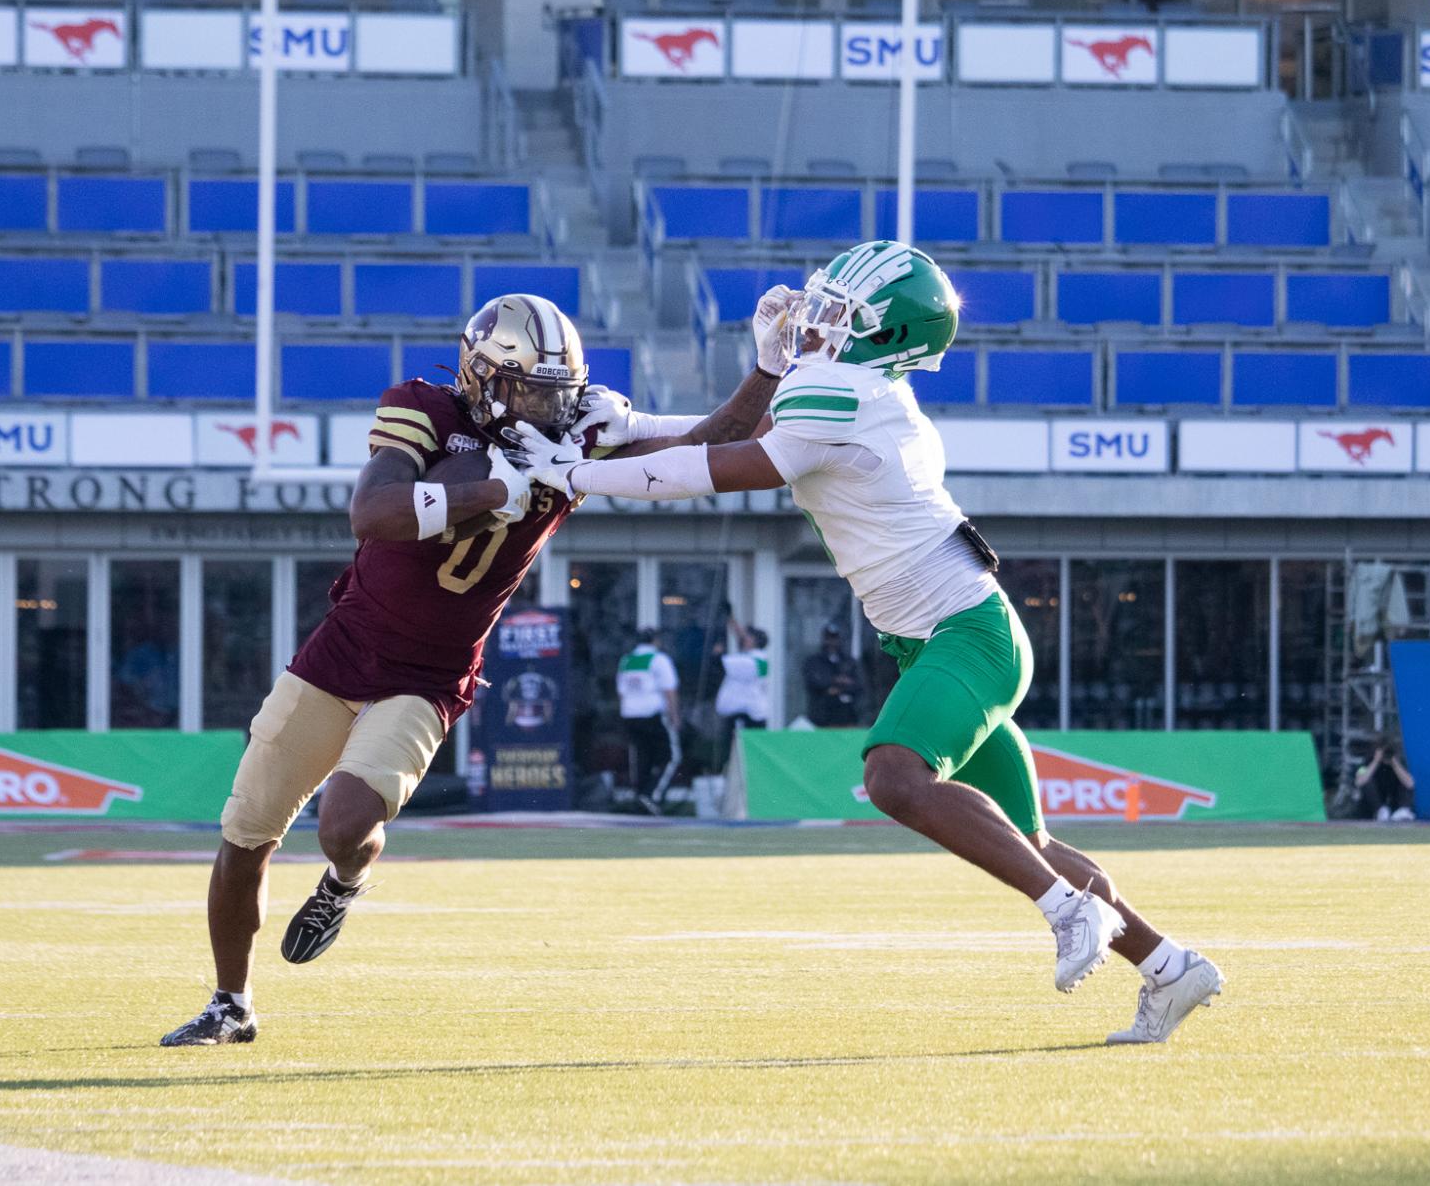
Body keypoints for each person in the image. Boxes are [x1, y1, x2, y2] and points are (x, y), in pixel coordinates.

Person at [510, 241, 1223, 1045]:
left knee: (893, 777)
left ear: (885, 335)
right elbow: (734, 441)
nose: (816, 319)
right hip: (936, 640)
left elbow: (711, 471)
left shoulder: (847, 391)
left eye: (840, 313)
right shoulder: (845, 388)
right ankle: (1169, 968)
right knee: (1030, 841)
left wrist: (572, 476)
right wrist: (637, 427)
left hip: (967, 636)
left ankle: (1066, 909)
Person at [160, 292, 784, 1045]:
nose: (547, 410)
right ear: (482, 376)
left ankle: (346, 881)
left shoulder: (581, 427)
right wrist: (494, 490)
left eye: (557, 393)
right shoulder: (422, 407)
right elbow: (374, 511)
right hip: (342, 650)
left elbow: (711, 440)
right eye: (528, 391)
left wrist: (768, 369)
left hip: (431, 672)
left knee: (346, 824)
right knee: (246, 830)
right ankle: (232, 1003)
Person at [616, 628, 681, 814]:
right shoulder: (659, 660)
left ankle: (639, 797)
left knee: (641, 758)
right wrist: (675, 715)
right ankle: (652, 795)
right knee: (670, 757)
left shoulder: (626, 660)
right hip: (652, 714)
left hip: (630, 714)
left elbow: (621, 692)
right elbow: (669, 690)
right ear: (655, 641)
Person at [714, 616, 771, 747]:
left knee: (743, 751)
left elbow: (719, 663)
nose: (743, 639)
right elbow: (741, 637)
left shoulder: (751, 661)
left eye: (748, 637)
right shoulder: (758, 658)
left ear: (754, 641)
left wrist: (717, 651)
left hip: (748, 715)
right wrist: (731, 619)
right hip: (748, 712)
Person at [802, 622, 863, 727]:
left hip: (846, 714)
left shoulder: (847, 661)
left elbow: (858, 685)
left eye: (834, 638)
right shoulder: (815, 661)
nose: (832, 642)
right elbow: (814, 682)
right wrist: (835, 681)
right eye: (829, 638)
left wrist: (840, 689)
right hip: (822, 715)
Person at [1355, 737, 1416, 821]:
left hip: (1394, 800)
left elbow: (1410, 784)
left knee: (1404, 779)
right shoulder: (1368, 761)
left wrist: (1394, 763)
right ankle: (1380, 811)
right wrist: (1376, 761)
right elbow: (1359, 782)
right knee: (1367, 780)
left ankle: (1403, 810)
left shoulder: (1399, 762)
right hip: (1375, 801)